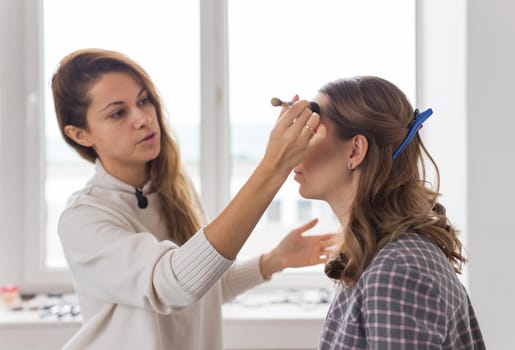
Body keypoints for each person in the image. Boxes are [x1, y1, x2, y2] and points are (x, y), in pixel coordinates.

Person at [51, 48, 334, 350]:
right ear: (80, 135)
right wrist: (272, 167)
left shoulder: (174, 190)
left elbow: (205, 286)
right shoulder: (83, 218)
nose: (144, 118)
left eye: (144, 100)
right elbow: (174, 285)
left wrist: (275, 260)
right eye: (118, 113)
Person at [291, 76, 485, 349]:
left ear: (355, 150)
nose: (294, 148)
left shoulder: (396, 272)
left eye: (312, 133)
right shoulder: (373, 256)